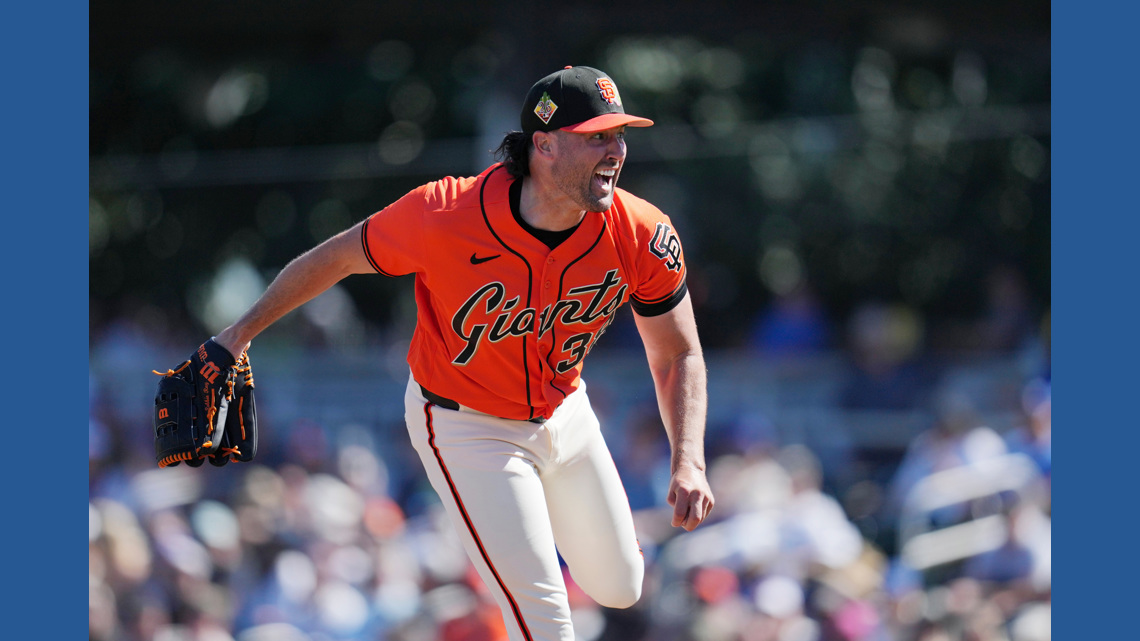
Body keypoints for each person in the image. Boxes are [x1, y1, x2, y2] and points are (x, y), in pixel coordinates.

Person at [210, 65, 715, 641]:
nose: (616, 151)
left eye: (619, 135)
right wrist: (238, 334)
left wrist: (689, 460)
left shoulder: (640, 231)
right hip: (466, 424)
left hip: (564, 411)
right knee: (544, 614)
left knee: (622, 586)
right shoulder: (446, 212)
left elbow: (678, 354)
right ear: (544, 146)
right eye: (596, 137)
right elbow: (336, 258)